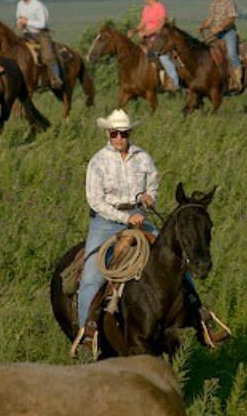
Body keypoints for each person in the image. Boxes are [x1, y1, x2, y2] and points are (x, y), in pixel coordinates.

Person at [75, 109, 230, 349]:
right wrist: (125, 217)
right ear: (108, 133)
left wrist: (149, 197)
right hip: (106, 223)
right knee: (91, 277)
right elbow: (95, 200)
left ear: (130, 133)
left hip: (140, 217)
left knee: (178, 261)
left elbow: (153, 185)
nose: (119, 138)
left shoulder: (143, 158)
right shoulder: (98, 162)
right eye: (114, 133)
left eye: (123, 133)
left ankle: (202, 322)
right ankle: (88, 331)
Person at [130, 0, 178, 92]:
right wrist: (134, 30)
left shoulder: (160, 7)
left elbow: (161, 25)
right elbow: (142, 23)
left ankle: (174, 83)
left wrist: (146, 32)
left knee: (163, 58)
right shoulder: (146, 8)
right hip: (148, 40)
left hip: (159, 38)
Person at [16, 0, 62, 89]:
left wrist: (27, 22)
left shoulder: (38, 6)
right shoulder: (20, 4)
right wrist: (19, 23)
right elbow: (18, 17)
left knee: (47, 54)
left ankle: (55, 77)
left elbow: (42, 23)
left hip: (40, 33)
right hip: (26, 33)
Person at [200, 0, 242, 92]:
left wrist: (220, 27)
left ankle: (237, 81)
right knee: (204, 51)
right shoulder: (214, 3)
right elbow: (211, 19)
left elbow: (231, 18)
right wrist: (203, 26)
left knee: (231, 54)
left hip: (228, 32)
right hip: (215, 34)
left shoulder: (229, 2)